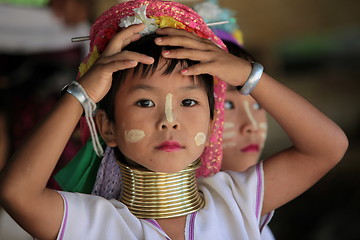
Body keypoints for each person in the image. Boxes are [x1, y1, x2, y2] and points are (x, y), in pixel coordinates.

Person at [0, 1, 348, 239]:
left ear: (211, 124)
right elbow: (17, 193)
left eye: (188, 101)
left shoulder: (235, 200)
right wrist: (82, 94)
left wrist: (247, 75)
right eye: (146, 101)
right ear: (108, 128)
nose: (169, 120)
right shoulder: (94, 223)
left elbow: (328, 147)